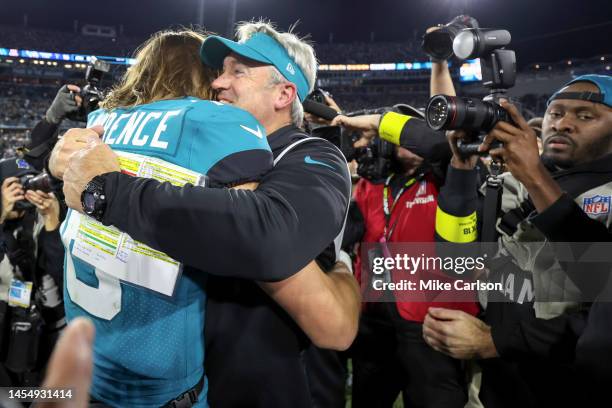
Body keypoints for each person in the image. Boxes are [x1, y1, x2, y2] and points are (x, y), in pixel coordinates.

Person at [50, 21, 360, 407]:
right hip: (177, 382)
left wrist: (108, 190)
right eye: (220, 71)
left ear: (284, 93)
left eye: (237, 72)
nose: (217, 83)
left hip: (256, 388)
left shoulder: (311, 155)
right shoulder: (200, 139)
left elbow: (329, 318)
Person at [55, 29, 275, 407]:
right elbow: (253, 228)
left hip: (83, 368)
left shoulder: (100, 122)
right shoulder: (212, 122)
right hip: (158, 383)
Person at [422, 74, 612, 407]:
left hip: (570, 387)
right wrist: (462, 170)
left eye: (585, 116)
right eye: (556, 113)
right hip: (496, 385)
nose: (563, 124)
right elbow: (456, 262)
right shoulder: (510, 184)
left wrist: (495, 341)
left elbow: (601, 307)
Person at [0, 157, 65, 388]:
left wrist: (52, 223)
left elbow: (61, 274)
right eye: (16, 185)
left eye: (30, 181)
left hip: (44, 326)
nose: (26, 188)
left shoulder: (40, 215)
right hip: (6, 327)